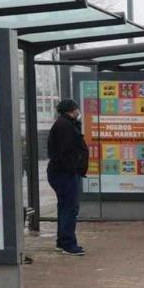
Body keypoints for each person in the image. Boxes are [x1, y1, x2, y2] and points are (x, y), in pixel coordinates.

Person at [47, 99, 89, 256]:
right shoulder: (64, 126)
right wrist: (74, 166)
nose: (78, 112)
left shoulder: (65, 124)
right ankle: (68, 244)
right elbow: (65, 152)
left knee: (65, 207)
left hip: (64, 172)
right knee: (70, 208)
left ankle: (62, 241)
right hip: (65, 173)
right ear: (72, 110)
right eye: (77, 109)